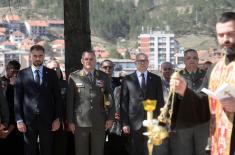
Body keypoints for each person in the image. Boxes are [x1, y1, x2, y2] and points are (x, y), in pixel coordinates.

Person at [170, 11, 235, 155]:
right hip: (220, 142)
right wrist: (184, 91)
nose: (226, 39)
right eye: (221, 35)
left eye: (230, 34)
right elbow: (203, 102)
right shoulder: (214, 69)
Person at [14, 45, 62, 155]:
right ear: (30, 57)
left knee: (47, 150)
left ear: (44, 56)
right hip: (28, 121)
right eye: (35, 56)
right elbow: (17, 98)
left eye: (40, 56)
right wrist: (19, 119)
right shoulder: (22, 74)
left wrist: (57, 118)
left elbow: (58, 98)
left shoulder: (51, 74)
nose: (37, 58)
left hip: (47, 120)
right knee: (29, 150)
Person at [66, 50, 114, 155]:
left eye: (91, 59)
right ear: (82, 61)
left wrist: (110, 118)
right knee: (81, 151)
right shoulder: (74, 77)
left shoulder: (103, 76)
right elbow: (70, 101)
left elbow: (109, 98)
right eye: (86, 59)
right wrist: (70, 121)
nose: (89, 61)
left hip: (99, 121)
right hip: (80, 122)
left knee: (98, 151)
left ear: (95, 61)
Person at [163, 49, 209, 155]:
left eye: (194, 58)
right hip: (183, 121)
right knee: (184, 152)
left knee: (202, 151)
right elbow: (171, 99)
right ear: (184, 60)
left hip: (202, 121)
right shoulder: (177, 76)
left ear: (198, 60)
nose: (192, 60)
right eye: (188, 58)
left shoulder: (206, 75)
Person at [121, 52, 164, 155]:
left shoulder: (156, 79)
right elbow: (124, 103)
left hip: (151, 122)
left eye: (145, 61)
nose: (142, 63)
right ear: (135, 63)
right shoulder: (127, 79)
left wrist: (159, 122)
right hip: (134, 122)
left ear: (148, 63)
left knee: (151, 150)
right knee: (135, 150)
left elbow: (160, 102)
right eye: (140, 61)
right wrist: (125, 123)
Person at [47, 59, 74, 155]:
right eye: (52, 68)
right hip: (45, 124)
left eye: (56, 68)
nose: (54, 70)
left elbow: (71, 104)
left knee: (61, 149)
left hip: (62, 124)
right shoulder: (41, 84)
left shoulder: (67, 85)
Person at [0, 60, 24, 155]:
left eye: (17, 72)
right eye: (13, 71)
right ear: (7, 69)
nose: (15, 74)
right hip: (4, 123)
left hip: (16, 122)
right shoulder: (1, 82)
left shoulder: (20, 83)